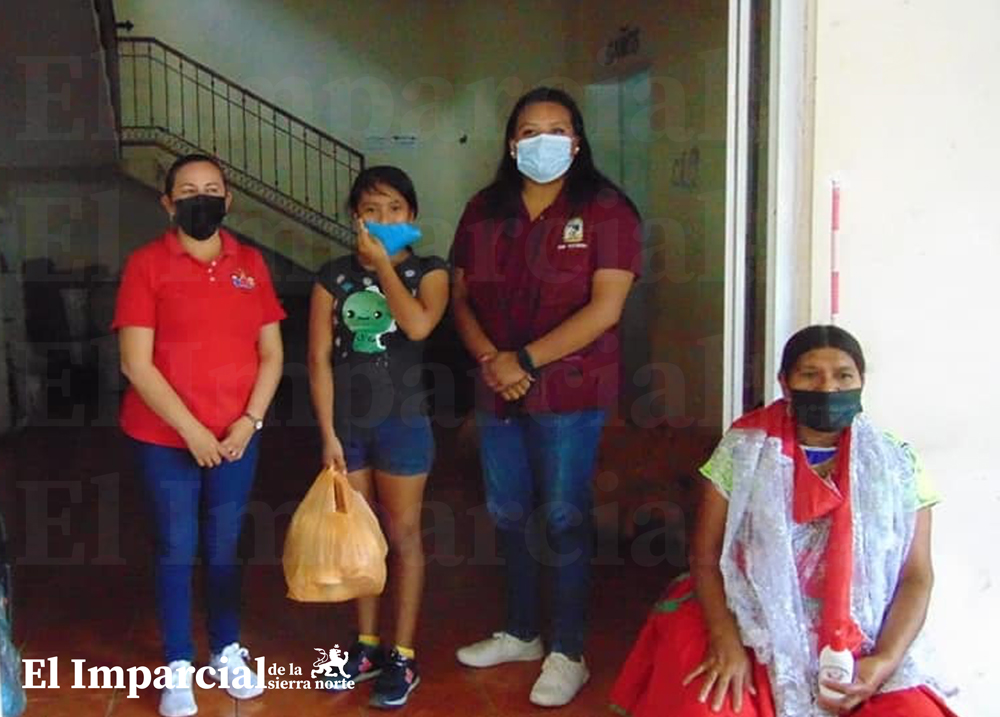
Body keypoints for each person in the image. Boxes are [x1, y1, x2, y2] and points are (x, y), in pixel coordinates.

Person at [609, 325, 958, 717]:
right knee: (710, 706)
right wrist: (725, 641)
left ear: (861, 382)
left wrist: (885, 660)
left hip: (863, 638)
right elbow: (705, 557)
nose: (828, 387)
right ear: (785, 384)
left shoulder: (896, 464)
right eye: (810, 374)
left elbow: (916, 576)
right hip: (753, 623)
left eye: (843, 375)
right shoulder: (743, 450)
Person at [450, 86, 642, 707]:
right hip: (497, 386)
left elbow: (606, 307)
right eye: (530, 132)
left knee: (562, 516)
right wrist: (492, 360)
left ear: (577, 141)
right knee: (509, 511)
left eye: (557, 130)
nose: (544, 142)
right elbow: (459, 297)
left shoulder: (607, 210)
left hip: (570, 389)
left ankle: (568, 650)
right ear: (512, 144)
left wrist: (525, 360)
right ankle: (522, 631)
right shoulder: (484, 210)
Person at [113, 154, 285, 717]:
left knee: (224, 544)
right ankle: (178, 664)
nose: (201, 199)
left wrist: (249, 421)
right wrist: (191, 431)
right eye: (187, 191)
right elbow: (136, 363)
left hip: (236, 438)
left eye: (212, 189)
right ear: (168, 204)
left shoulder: (250, 263)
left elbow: (271, 353)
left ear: (228, 201)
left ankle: (227, 648)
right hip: (164, 439)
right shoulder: (146, 266)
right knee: (176, 545)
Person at [308, 165, 448, 709]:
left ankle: (403, 655)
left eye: (395, 209)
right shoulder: (332, 277)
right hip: (349, 427)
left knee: (403, 536)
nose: (383, 218)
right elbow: (318, 359)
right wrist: (327, 434)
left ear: (412, 216)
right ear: (355, 217)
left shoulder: (430, 272)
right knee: (359, 540)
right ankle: (365, 646)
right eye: (371, 210)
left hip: (404, 423)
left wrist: (384, 265)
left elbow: (417, 325)